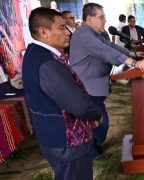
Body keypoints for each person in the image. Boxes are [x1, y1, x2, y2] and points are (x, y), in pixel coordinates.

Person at [22, 7, 102, 179]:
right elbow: (79, 105)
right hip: (67, 142)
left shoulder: (34, 53)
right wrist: (96, 114)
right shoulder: (47, 63)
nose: (67, 32)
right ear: (43, 31)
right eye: (61, 28)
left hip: (53, 136)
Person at [69, 3, 144, 158]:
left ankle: (93, 149)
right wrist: (133, 63)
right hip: (87, 87)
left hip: (94, 86)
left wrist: (131, 54)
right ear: (90, 18)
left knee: (99, 120)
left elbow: (110, 46)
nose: (104, 21)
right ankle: (91, 152)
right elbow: (105, 51)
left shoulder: (94, 33)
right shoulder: (84, 35)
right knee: (100, 122)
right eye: (101, 17)